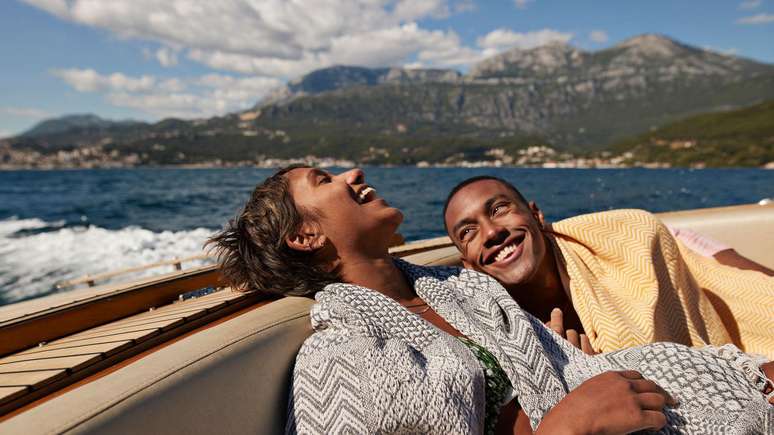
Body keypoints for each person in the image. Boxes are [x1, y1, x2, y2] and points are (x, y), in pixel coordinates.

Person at [209, 166, 773, 434]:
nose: (353, 173)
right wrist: (563, 429)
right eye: (324, 178)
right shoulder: (338, 358)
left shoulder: (471, 293)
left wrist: (747, 369)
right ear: (306, 237)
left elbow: (582, 372)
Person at [443, 176, 774, 358]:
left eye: (500, 209)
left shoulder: (627, 241)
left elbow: (692, 348)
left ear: (537, 215)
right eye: (468, 232)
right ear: (468, 264)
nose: (491, 232)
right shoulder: (488, 325)